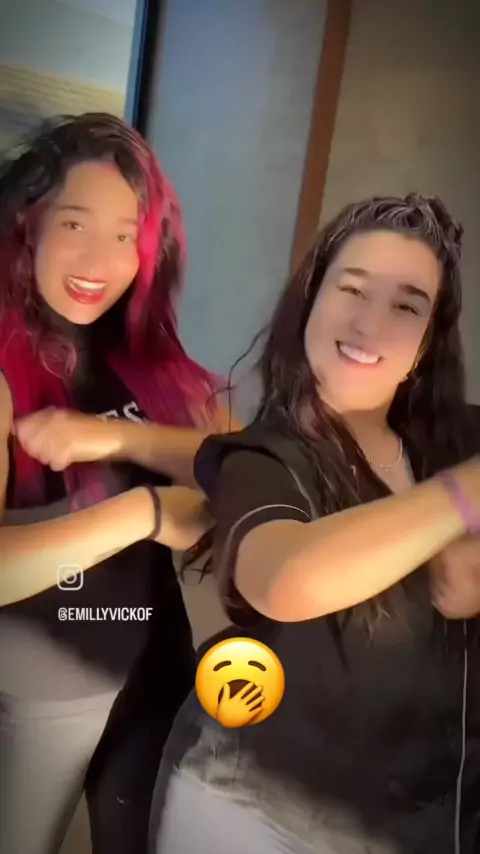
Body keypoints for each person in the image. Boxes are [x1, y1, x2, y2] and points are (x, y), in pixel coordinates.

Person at [150, 194, 480, 854]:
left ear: (425, 345)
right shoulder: (260, 457)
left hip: (423, 822)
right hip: (253, 813)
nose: (370, 324)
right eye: (352, 290)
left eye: (407, 307)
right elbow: (287, 578)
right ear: (309, 302)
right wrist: (464, 499)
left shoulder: (461, 439)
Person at [0, 113, 240, 854]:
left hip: (155, 671)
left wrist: (114, 436)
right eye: (75, 223)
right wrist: (148, 511)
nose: (98, 260)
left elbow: (237, 463)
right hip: (41, 689)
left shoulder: (144, 355)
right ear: (29, 224)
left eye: (124, 235)